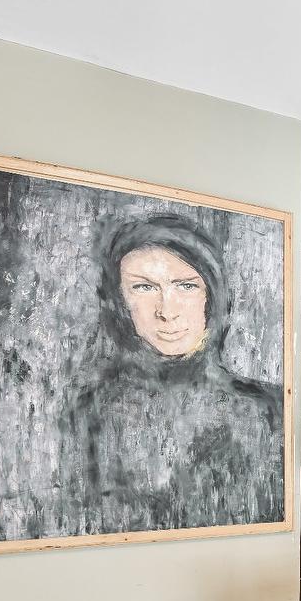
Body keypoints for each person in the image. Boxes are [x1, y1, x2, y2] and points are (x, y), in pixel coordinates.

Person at [63, 213, 285, 535]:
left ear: (212, 294)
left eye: (185, 285)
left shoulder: (267, 407)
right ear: (119, 301)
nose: (167, 311)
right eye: (143, 287)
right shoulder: (91, 408)